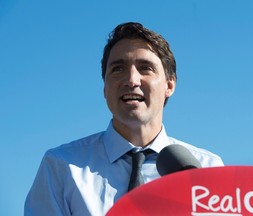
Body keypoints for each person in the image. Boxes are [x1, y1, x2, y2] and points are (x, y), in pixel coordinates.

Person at [24, 22, 224, 216]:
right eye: (118, 69)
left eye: (145, 68)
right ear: (105, 88)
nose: (131, 80)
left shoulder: (208, 169)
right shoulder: (61, 166)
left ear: (169, 86)